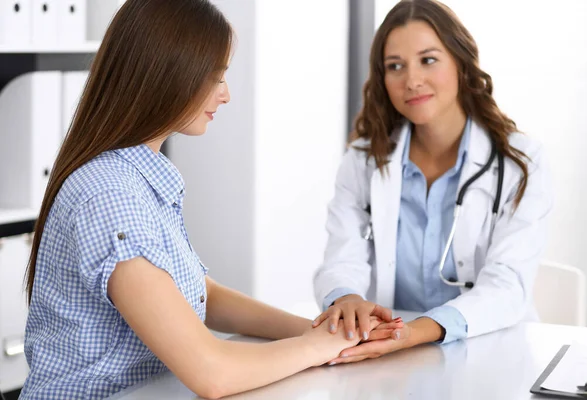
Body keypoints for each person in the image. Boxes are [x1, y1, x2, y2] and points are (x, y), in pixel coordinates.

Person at [19, 1, 403, 398]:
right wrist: (321, 346)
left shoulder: (139, 178)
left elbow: (202, 293)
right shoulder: (109, 195)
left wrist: (319, 329)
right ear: (166, 73)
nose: (226, 95)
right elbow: (212, 374)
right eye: (215, 77)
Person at [312, 0, 552, 365]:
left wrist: (417, 332)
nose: (412, 81)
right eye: (395, 66)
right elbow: (342, 255)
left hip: (489, 353)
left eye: (428, 59)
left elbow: (507, 285)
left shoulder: (521, 161)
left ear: (460, 62)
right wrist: (345, 300)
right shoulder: (364, 159)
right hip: (387, 357)